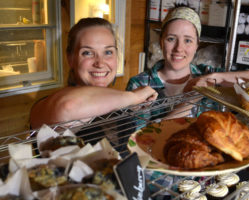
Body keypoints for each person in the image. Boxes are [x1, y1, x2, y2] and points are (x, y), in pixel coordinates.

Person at [126, 5, 249, 118]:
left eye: (188, 40)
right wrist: (191, 100)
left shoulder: (206, 74)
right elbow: (139, 140)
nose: (179, 48)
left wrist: (218, 77)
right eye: (171, 39)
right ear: (161, 41)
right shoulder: (140, 84)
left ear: (197, 45)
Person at [30, 17, 158, 130]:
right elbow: (68, 107)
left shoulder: (119, 106)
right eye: (87, 53)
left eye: (108, 52)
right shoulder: (45, 107)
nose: (100, 63)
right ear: (70, 58)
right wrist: (133, 97)